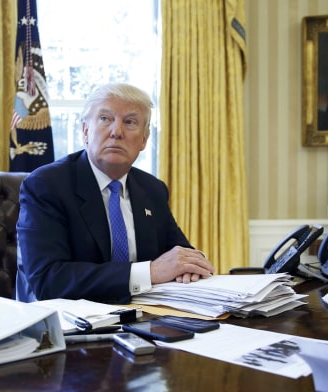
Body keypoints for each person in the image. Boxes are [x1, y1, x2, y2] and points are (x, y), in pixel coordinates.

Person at [16, 83, 215, 304]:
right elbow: (48, 280)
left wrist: (191, 267)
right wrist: (148, 272)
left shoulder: (152, 189)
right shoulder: (47, 185)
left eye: (130, 122)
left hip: (144, 319)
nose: (117, 131)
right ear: (85, 131)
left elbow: (181, 254)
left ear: (143, 140)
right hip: (71, 327)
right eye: (105, 119)